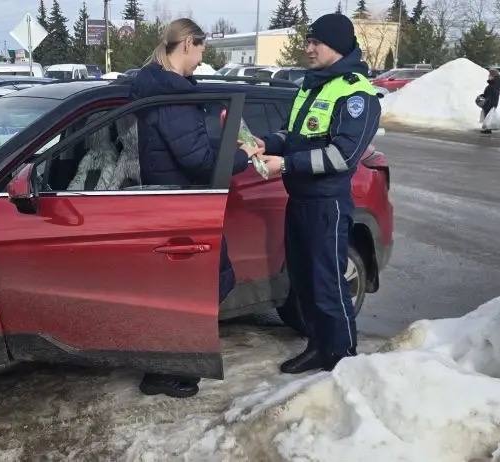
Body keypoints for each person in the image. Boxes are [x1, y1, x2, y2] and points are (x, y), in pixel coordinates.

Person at [130, 18, 260, 398]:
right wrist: (243, 155)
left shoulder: (153, 85)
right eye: (202, 48)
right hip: (182, 203)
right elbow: (200, 161)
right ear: (187, 43)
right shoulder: (174, 96)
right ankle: (163, 371)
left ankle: (164, 366)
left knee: (183, 290)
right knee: (203, 287)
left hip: (164, 200)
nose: (203, 57)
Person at [255, 14, 381, 374]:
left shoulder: (357, 93)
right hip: (301, 202)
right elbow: (292, 133)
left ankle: (342, 357)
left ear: (337, 46)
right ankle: (318, 346)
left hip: (327, 205)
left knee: (327, 283)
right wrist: (268, 142)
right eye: (308, 41)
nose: (307, 48)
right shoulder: (312, 85)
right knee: (304, 280)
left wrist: (286, 165)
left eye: (316, 42)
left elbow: (342, 155)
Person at [480, 69, 500, 134]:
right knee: (487, 116)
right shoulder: (493, 82)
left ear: (493, 76)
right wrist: (483, 95)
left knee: (488, 116)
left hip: (491, 102)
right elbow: (489, 92)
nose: (488, 76)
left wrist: (488, 99)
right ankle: (487, 129)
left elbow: (494, 93)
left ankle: (488, 129)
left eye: (490, 75)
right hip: (489, 101)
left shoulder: (495, 83)